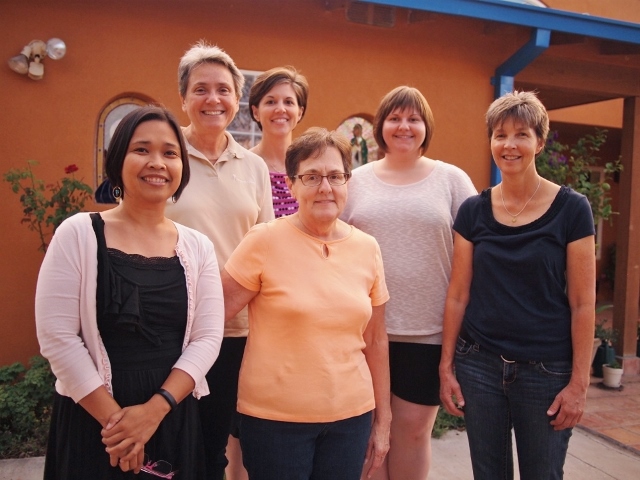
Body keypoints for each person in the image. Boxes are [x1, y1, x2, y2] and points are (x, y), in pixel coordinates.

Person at [35, 105, 225, 479]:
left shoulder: (198, 246)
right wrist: (120, 427)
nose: (157, 162)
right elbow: (57, 337)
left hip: (171, 413)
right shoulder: (78, 233)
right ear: (118, 159)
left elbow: (207, 338)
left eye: (170, 153)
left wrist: (154, 412)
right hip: (94, 417)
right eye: (142, 150)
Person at [439, 91, 596, 479]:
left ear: (539, 142)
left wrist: (579, 383)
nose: (509, 145)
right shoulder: (473, 212)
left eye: (521, 134)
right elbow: (458, 294)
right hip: (479, 365)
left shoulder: (572, 210)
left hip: (546, 371)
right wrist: (446, 367)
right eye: (500, 134)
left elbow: (583, 303)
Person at [222, 127, 391, 480]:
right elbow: (212, 317)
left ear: (348, 181)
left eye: (335, 176)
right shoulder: (264, 241)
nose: (325, 187)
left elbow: (375, 339)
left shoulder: (367, 247)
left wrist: (383, 419)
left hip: (351, 418)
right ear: (290, 184)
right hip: (275, 422)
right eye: (311, 177)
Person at [341, 86, 476, 479]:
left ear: (425, 126)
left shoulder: (451, 180)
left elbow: (475, 255)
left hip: (428, 334)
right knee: (368, 435)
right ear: (380, 125)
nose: (404, 126)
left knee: (412, 433)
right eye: (395, 118)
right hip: (363, 333)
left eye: (413, 119)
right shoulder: (357, 181)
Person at [164, 41, 275, 480]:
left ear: (237, 99)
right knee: (166, 446)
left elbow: (266, 246)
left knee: (215, 448)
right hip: (170, 328)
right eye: (201, 89)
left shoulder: (253, 167)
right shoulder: (164, 156)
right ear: (184, 99)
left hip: (235, 331)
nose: (214, 99)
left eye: (224, 90)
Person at [249, 65, 309, 218]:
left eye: (288, 102)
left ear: (300, 112)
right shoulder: (244, 167)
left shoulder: (310, 168)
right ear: (256, 112)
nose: (280, 109)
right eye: (271, 102)